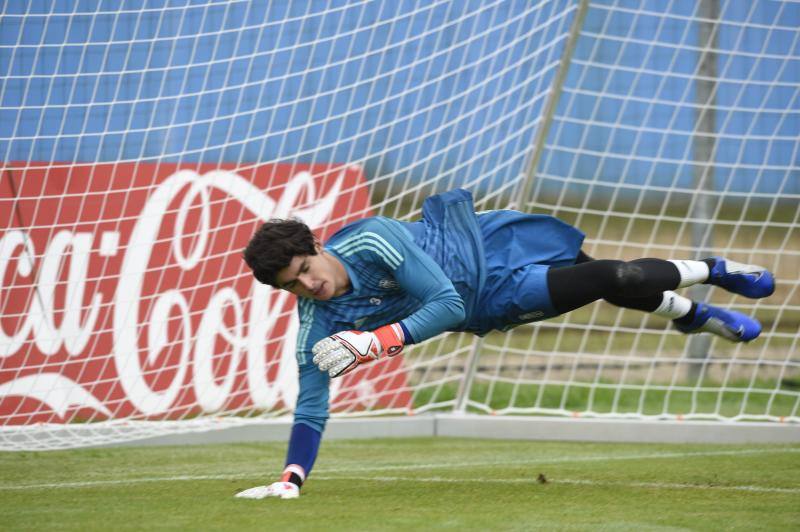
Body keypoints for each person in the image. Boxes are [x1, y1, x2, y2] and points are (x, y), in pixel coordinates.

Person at [234, 189, 775, 500]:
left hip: (487, 237)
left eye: (306, 269)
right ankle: (699, 301)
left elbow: (436, 301)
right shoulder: (316, 323)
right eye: (292, 285)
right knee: (617, 279)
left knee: (614, 276)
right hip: (492, 296)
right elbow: (311, 403)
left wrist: (375, 343)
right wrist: (291, 478)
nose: (308, 286)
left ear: (317, 246)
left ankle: (709, 283)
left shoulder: (374, 238)